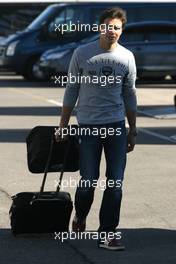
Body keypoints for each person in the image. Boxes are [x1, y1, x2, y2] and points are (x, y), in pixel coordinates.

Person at [55, 7, 137, 251]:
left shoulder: (127, 57)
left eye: (117, 28)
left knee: (115, 183)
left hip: (116, 127)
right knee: (88, 181)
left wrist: (132, 128)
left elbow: (129, 94)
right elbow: (71, 89)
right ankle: (80, 216)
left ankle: (107, 233)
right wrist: (63, 125)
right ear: (100, 27)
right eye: (108, 26)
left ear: (121, 31)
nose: (112, 31)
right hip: (88, 127)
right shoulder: (82, 53)